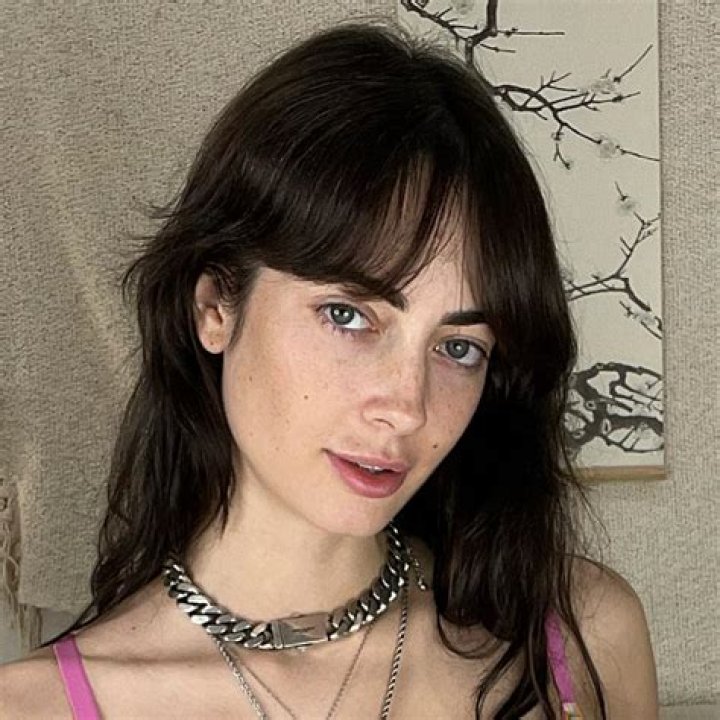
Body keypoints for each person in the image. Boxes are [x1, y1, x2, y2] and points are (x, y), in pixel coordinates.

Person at [0, 20, 658, 719]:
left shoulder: (580, 638)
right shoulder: (36, 708)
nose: (406, 406)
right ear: (215, 306)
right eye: (348, 315)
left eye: (459, 347)